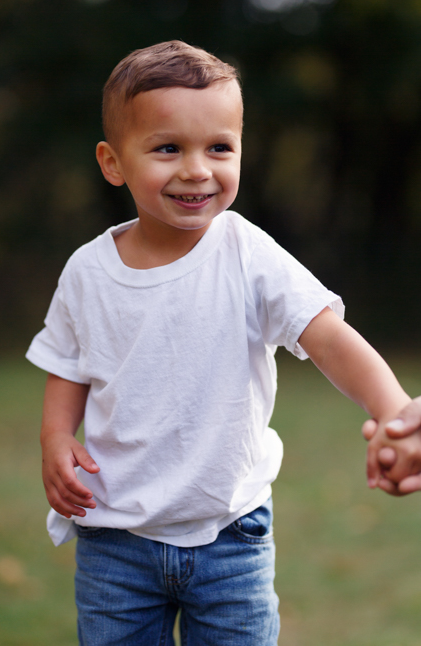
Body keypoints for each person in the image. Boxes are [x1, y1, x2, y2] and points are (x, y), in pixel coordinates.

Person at [26, 40, 421, 644]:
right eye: (167, 148)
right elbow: (69, 362)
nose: (196, 169)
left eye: (219, 147)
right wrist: (56, 436)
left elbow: (329, 339)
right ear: (113, 162)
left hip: (231, 534)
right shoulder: (88, 270)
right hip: (115, 538)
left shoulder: (247, 253)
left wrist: (393, 412)